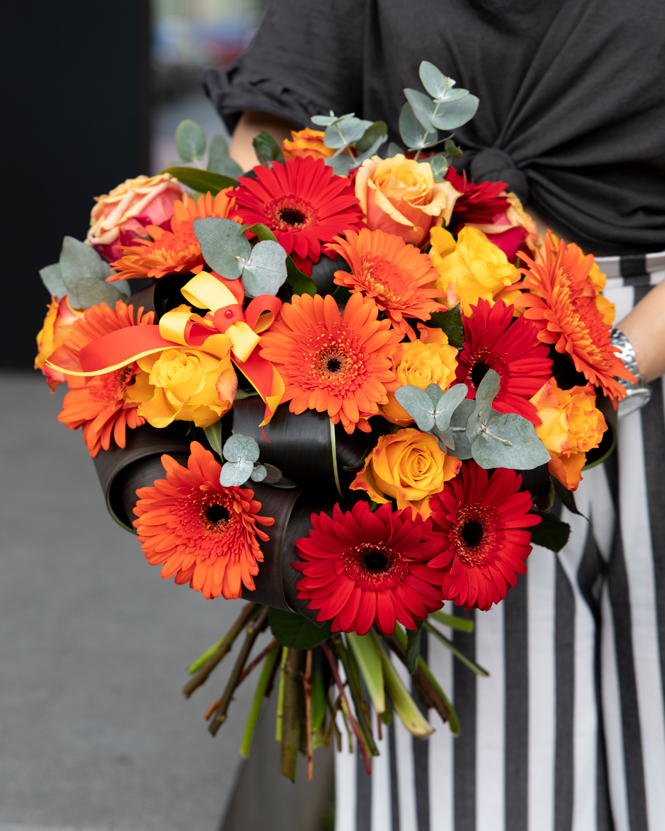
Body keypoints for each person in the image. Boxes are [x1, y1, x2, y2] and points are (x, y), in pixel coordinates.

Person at [203, 2, 665, 829]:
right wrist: (276, 322)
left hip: (629, 328)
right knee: (469, 788)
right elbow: (269, 140)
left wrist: (606, 367)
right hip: (433, 361)